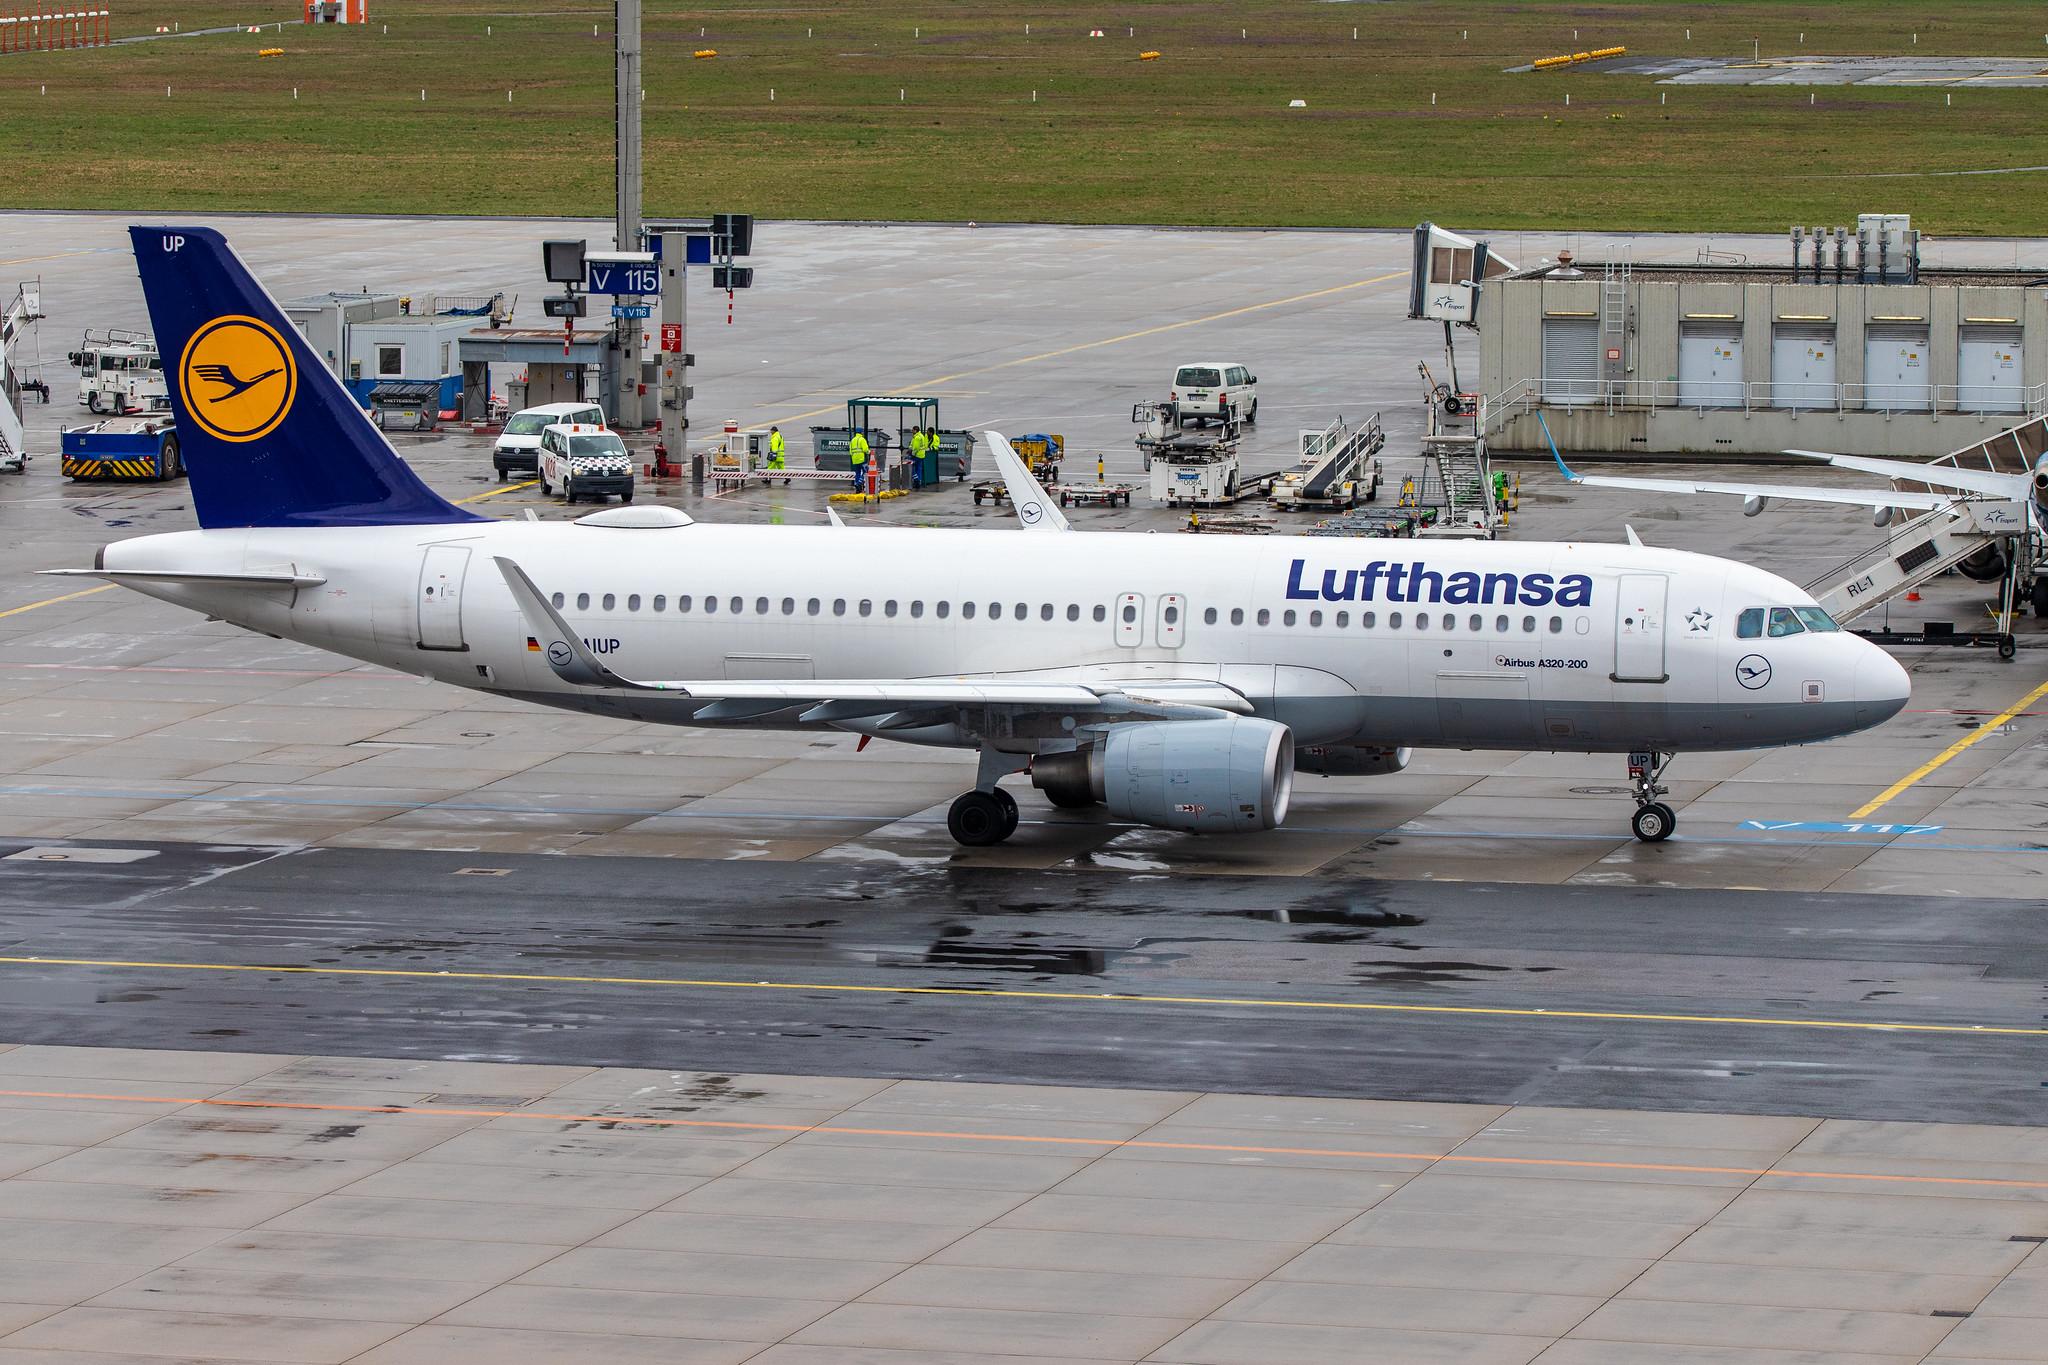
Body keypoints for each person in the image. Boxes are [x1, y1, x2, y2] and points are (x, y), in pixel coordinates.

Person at [907, 426, 929, 490]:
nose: (912, 431)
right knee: (919, 468)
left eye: (913, 430)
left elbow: (915, 447)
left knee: (912, 468)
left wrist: (912, 453)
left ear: (915, 430)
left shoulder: (917, 437)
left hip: (917, 455)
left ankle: (916, 481)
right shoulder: (921, 436)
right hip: (922, 455)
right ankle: (919, 481)